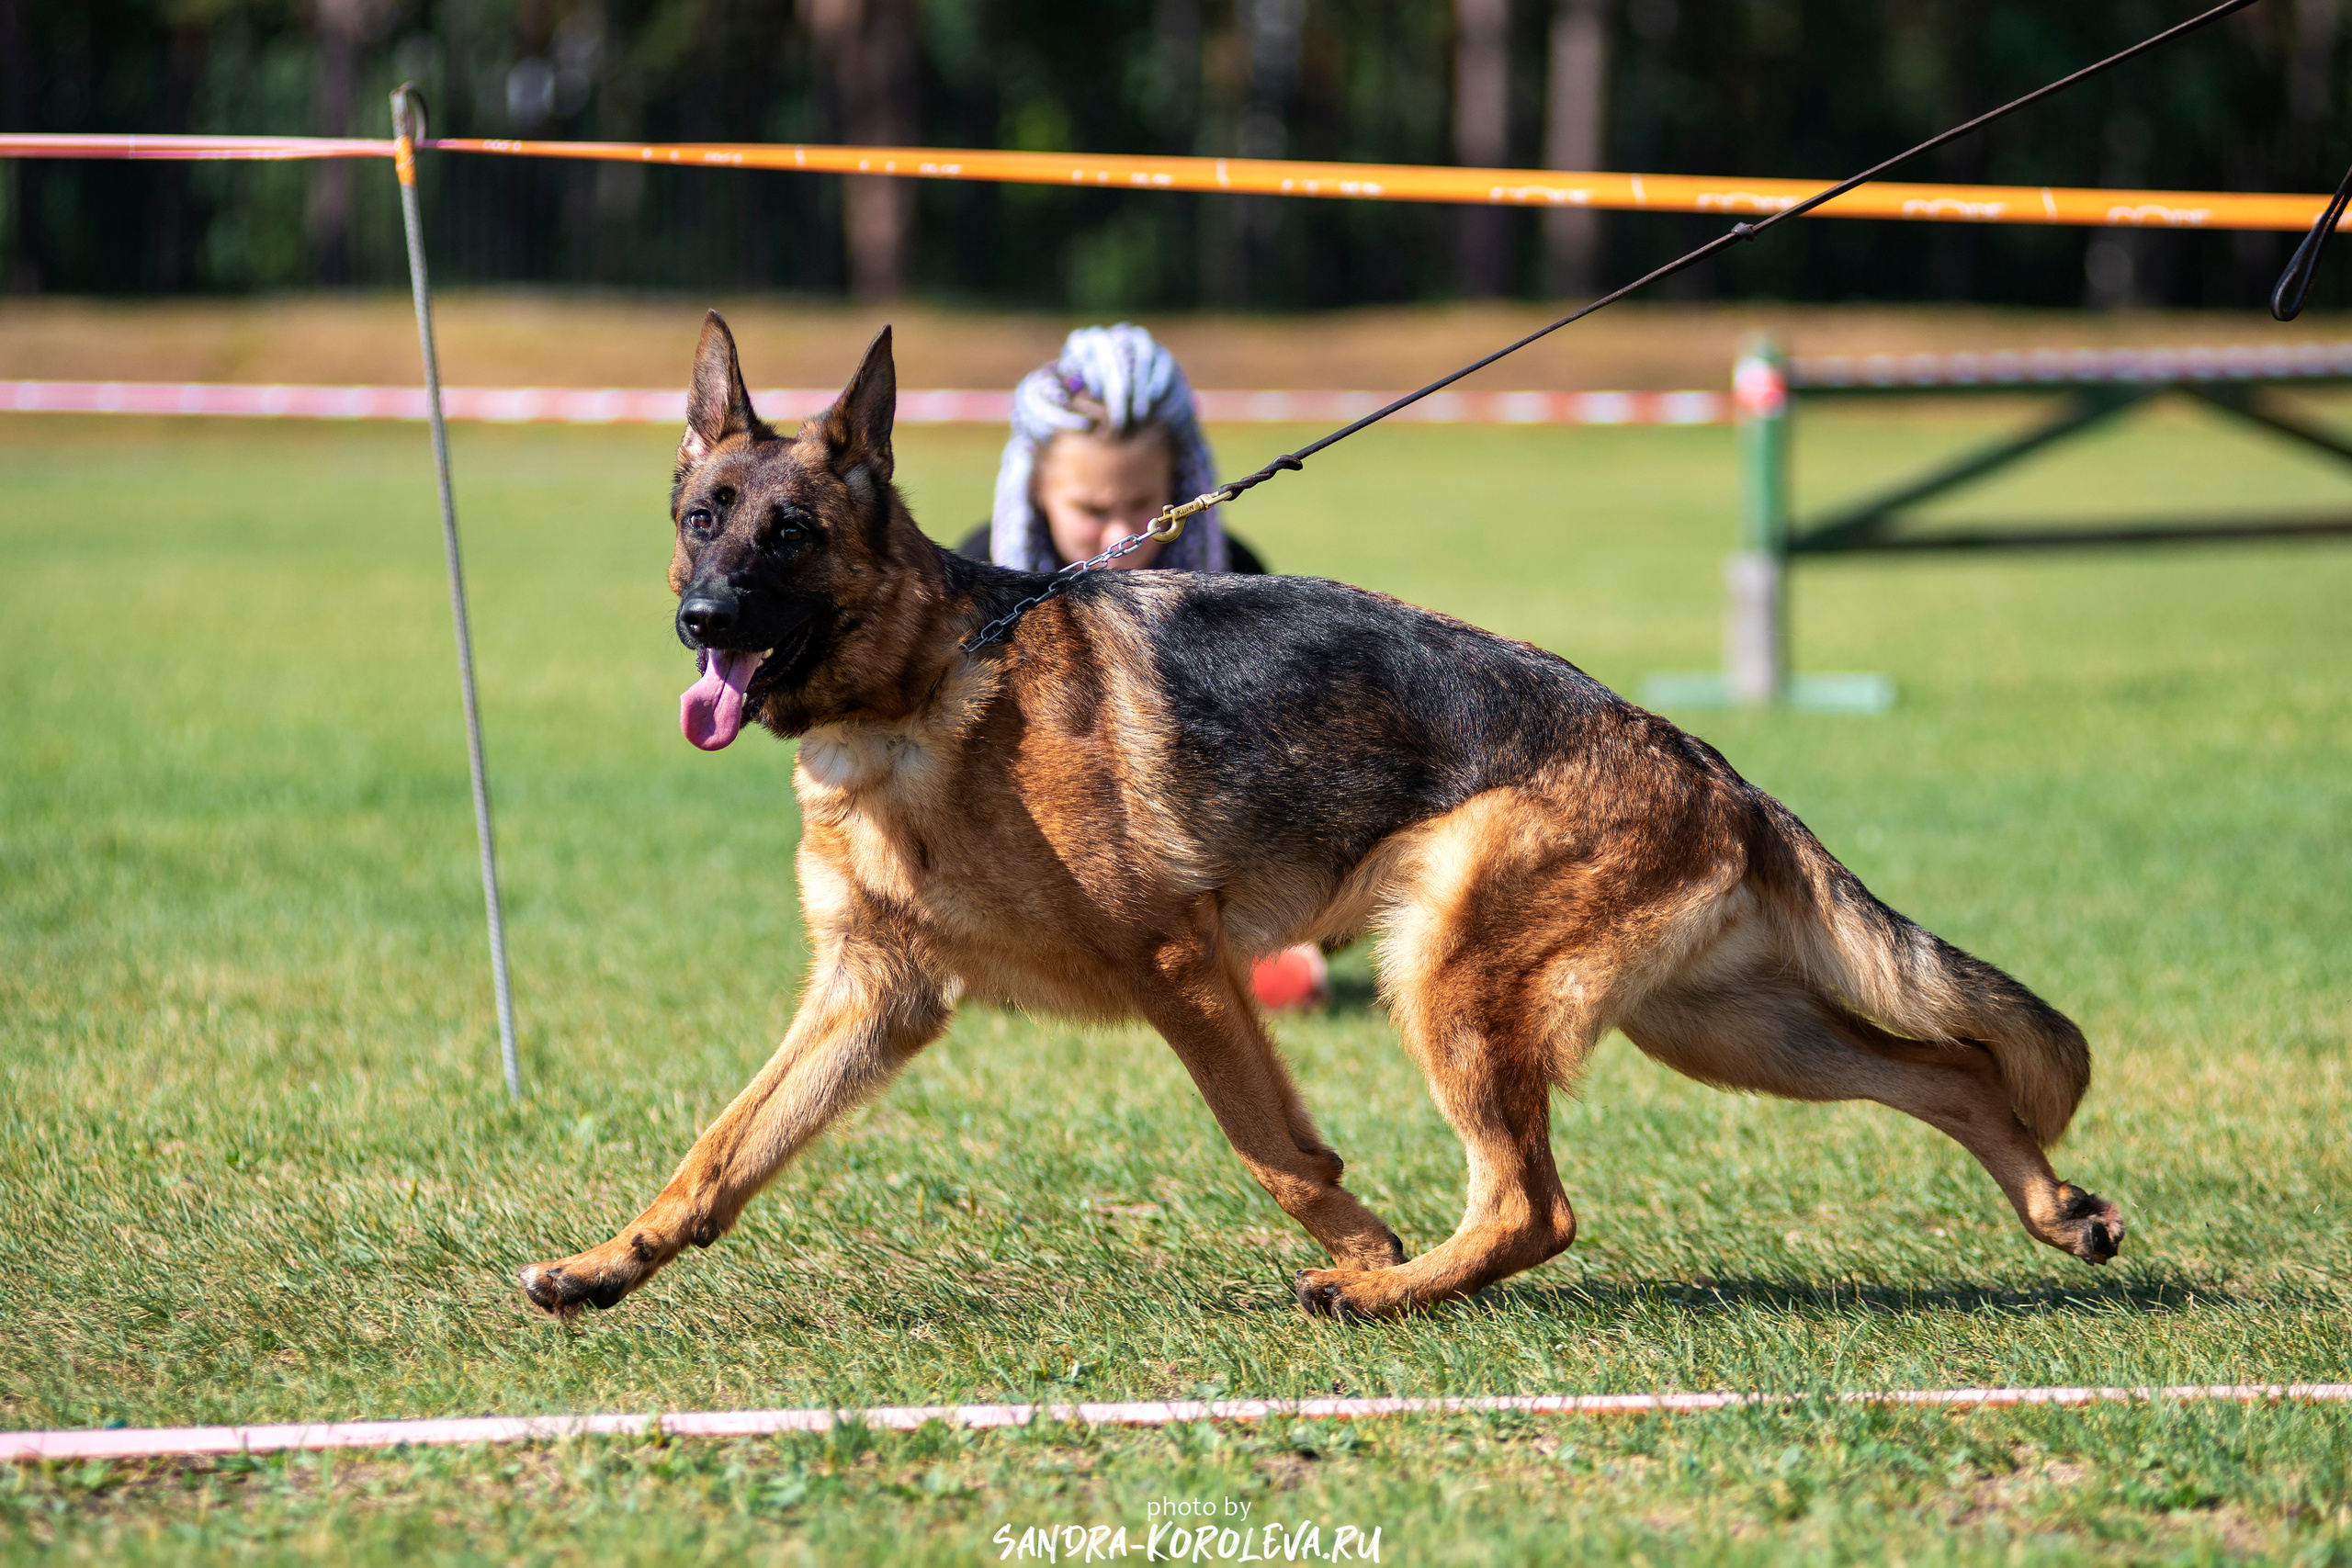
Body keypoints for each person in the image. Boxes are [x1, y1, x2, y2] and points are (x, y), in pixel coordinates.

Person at [956, 324, 1320, 1012]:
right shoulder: (975, 591)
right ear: (1035, 489)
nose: (1120, 535)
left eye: (1145, 508)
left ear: (1182, 484)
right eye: (1091, 510)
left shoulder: (1237, 582)